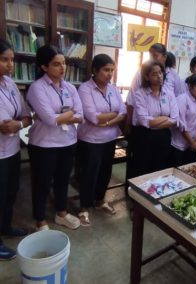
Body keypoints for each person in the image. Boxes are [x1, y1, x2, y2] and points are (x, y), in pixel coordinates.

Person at [27, 45, 83, 231]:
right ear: (44, 67)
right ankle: (40, 220)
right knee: (42, 183)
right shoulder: (37, 88)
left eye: (64, 63)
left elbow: (81, 115)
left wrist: (63, 116)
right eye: (56, 64)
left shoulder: (69, 87)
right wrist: (69, 113)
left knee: (62, 180)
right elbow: (51, 120)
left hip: (67, 142)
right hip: (44, 145)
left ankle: (61, 213)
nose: (62, 68)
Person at [76, 54, 126, 226]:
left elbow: (123, 112)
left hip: (110, 137)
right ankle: (84, 207)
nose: (109, 74)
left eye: (112, 70)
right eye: (106, 70)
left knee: (105, 172)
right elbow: (92, 117)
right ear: (95, 70)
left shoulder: (113, 89)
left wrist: (109, 121)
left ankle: (99, 201)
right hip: (90, 139)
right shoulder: (85, 89)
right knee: (88, 173)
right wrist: (113, 115)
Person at [0, 39, 31, 260]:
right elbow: (4, 126)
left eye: (11, 60)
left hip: (12, 150)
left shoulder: (9, 83)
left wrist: (19, 123)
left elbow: (25, 114)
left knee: (10, 193)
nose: (10, 65)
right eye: (4, 60)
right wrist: (18, 123)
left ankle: (5, 227)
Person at [130, 60, 178, 177]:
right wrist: (165, 118)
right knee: (142, 169)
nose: (159, 76)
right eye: (154, 74)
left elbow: (175, 119)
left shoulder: (169, 93)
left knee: (160, 168)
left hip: (164, 137)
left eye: (160, 73)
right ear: (146, 76)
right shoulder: (140, 94)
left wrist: (155, 121)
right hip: (144, 137)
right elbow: (144, 121)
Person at [171, 74, 196, 166]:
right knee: (178, 172)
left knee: (191, 172)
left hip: (193, 145)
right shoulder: (181, 99)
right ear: (190, 86)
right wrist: (191, 142)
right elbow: (181, 124)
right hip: (179, 144)